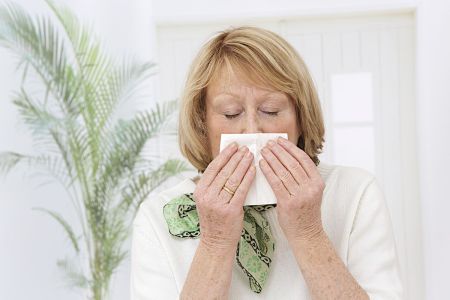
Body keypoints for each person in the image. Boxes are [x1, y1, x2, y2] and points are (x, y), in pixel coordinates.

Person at [130, 26, 403, 299]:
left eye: (270, 110)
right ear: (203, 125)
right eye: (230, 113)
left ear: (300, 118)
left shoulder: (355, 193)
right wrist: (215, 242)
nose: (252, 130)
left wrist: (308, 232)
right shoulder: (157, 217)